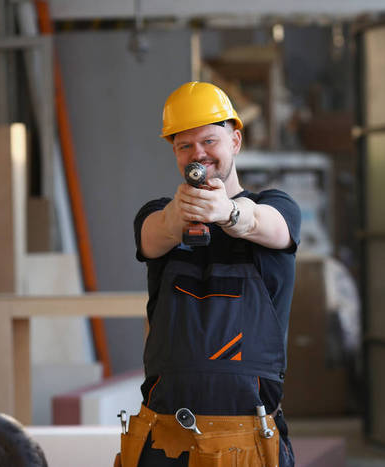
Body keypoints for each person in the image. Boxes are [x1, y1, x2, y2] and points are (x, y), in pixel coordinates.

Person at [116, 82, 300, 467]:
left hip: (246, 441)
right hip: (164, 436)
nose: (198, 153)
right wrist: (176, 218)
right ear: (175, 152)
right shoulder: (161, 216)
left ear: (235, 140)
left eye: (209, 140)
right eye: (185, 145)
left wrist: (230, 213)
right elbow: (151, 236)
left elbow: (271, 226)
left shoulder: (274, 207)